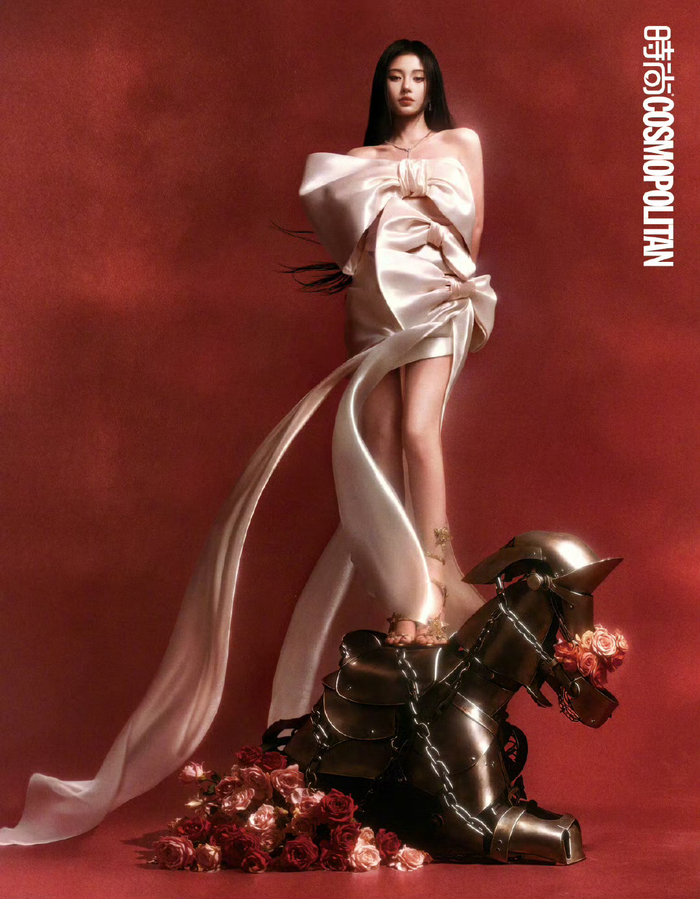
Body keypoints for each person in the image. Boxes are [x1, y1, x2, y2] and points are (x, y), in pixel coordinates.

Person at [0, 38, 497, 847]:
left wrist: (450, 264)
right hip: (377, 309)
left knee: (417, 430)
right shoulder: (356, 162)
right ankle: (404, 604)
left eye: (418, 77)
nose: (407, 87)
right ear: (382, 88)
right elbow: (346, 240)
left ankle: (435, 592)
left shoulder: (460, 143)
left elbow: (472, 225)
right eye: (395, 77)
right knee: (373, 449)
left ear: (432, 86)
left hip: (439, 299)